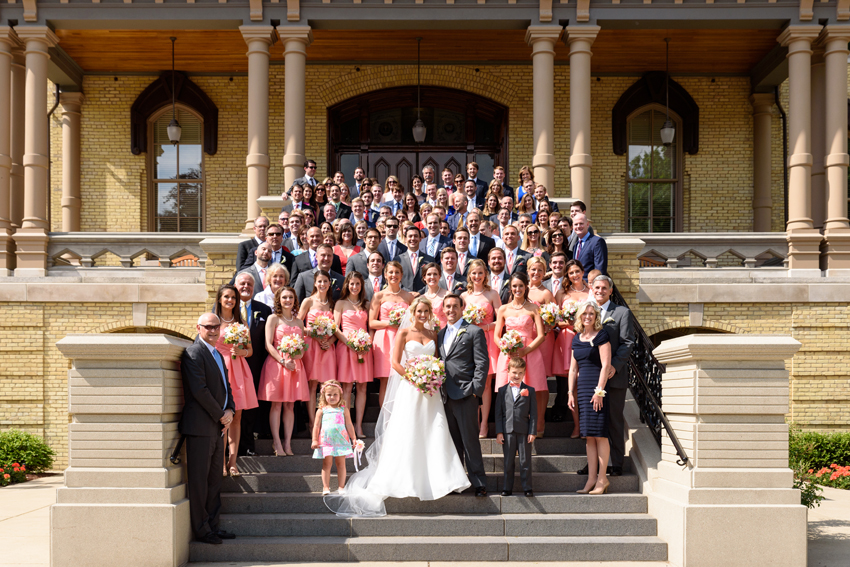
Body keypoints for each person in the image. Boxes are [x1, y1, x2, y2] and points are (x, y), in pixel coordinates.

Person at [324, 296, 473, 517]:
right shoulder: (403, 333)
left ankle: (444, 479)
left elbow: (438, 361)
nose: (422, 315)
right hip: (411, 388)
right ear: (412, 312)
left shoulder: (434, 334)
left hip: (430, 391)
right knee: (409, 431)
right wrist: (416, 379)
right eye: (419, 311)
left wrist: (431, 377)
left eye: (426, 312)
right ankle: (406, 478)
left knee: (436, 430)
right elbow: (394, 363)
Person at [179, 312, 236, 545]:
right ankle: (202, 530)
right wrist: (221, 414)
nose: (213, 331)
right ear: (198, 327)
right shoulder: (194, 352)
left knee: (214, 480)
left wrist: (230, 409)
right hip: (201, 427)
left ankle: (213, 525)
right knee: (200, 481)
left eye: (216, 327)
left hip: (218, 427)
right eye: (208, 327)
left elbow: (226, 386)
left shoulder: (217, 354)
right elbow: (199, 390)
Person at [439, 293, 490, 496]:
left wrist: (475, 391)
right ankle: (456, 482)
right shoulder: (440, 334)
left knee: (470, 440)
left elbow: (482, 363)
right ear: (443, 310)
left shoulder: (473, 332)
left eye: (454, 306)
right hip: (445, 395)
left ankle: (479, 483)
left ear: (462, 308)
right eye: (447, 307)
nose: (451, 310)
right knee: (452, 442)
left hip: (466, 394)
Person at [585, 275, 635, 478]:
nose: (600, 291)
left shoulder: (621, 313)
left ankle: (616, 463)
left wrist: (614, 366)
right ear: (592, 288)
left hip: (614, 378)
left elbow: (627, 342)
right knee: (592, 422)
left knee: (614, 421)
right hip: (590, 376)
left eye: (604, 288)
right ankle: (593, 466)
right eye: (597, 287)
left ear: (610, 291)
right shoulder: (586, 312)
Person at [212, 284, 259, 477]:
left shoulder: (241, 323)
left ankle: (233, 462)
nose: (230, 300)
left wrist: (242, 352)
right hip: (220, 369)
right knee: (224, 418)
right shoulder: (213, 321)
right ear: (220, 299)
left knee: (237, 418)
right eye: (226, 297)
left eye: (233, 297)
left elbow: (250, 350)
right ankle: (221, 462)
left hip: (239, 369)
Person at [259, 287, 309, 456]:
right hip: (277, 364)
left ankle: (287, 443)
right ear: (279, 300)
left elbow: (302, 345)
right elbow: (268, 344)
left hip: (295, 366)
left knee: (290, 405)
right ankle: (276, 442)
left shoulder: (299, 322)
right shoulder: (273, 319)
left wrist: (299, 355)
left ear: (295, 300)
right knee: (277, 404)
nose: (288, 300)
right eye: (284, 297)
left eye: (291, 297)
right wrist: (282, 361)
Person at [569, 301, 613, 495]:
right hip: (583, 389)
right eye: (584, 314)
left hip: (597, 389)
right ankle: (591, 479)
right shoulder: (576, 339)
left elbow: (605, 365)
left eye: (591, 314)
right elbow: (572, 369)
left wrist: (599, 391)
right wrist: (570, 392)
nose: (588, 317)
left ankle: (603, 480)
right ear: (579, 316)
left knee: (600, 434)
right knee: (588, 436)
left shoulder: (602, 336)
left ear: (596, 317)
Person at [233, 272, 272, 457]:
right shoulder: (227, 307)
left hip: (254, 365)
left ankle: (247, 445)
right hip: (231, 365)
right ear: (235, 286)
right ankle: (228, 446)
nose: (246, 286)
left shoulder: (264, 310)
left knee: (249, 406)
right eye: (242, 283)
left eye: (249, 283)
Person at [461, 259, 501, 438]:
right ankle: (473, 422)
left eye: (480, 273)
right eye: (473, 273)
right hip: (470, 341)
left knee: (485, 384)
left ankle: (484, 424)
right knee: (472, 382)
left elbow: (500, 320)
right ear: (469, 275)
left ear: (485, 274)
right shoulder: (463, 296)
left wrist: (484, 327)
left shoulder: (492, 294)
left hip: (488, 339)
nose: (477, 276)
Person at [494, 273, 547, 407]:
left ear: (526, 287)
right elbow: (496, 335)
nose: (518, 289)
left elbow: (541, 335)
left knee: (532, 389)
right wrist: (505, 348)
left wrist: (526, 351)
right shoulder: (503, 309)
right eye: (514, 286)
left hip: (530, 352)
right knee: (507, 390)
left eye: (521, 286)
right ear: (510, 288)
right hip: (509, 354)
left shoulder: (534, 308)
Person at [369, 261, 415, 406]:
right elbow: (371, 322)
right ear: (385, 274)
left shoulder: (408, 297)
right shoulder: (379, 296)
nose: (393, 275)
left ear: (401, 275)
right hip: (384, 339)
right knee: (386, 380)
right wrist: (390, 323)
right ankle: (386, 420)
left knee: (403, 377)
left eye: (397, 272)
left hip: (403, 339)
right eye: (390, 272)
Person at [333, 271, 373, 438]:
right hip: (346, 347)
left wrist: (367, 343)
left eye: (358, 284)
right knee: (347, 388)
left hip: (363, 349)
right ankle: (346, 426)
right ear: (347, 285)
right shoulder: (340, 303)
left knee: (362, 387)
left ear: (361, 286)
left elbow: (370, 327)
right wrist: (350, 343)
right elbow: (335, 328)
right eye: (352, 284)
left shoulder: (367, 304)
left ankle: (358, 427)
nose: (355, 287)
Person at [299, 270, 337, 433]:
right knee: (312, 385)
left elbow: (337, 329)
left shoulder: (332, 303)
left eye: (325, 281)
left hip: (327, 347)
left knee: (328, 385)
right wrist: (313, 333)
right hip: (312, 346)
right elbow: (298, 325)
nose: (322, 284)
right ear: (315, 283)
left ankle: (327, 420)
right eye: (319, 281)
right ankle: (312, 422)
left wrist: (329, 341)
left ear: (330, 284)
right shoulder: (308, 301)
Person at [552, 259, 587, 435]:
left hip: (587, 338)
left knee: (585, 382)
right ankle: (577, 424)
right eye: (571, 273)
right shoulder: (561, 294)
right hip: (567, 339)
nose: (574, 275)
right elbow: (555, 319)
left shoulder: (591, 292)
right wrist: (568, 323)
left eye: (577, 271)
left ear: (582, 271)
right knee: (570, 385)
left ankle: (587, 423)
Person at [495, 357, 537, 497]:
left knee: (525, 461)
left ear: (524, 372)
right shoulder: (501, 391)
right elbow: (498, 414)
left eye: (520, 372)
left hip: (524, 431)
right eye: (514, 372)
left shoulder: (529, 391)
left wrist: (532, 431)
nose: (517, 375)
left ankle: (527, 488)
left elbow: (534, 414)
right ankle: (507, 488)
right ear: (508, 371)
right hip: (507, 431)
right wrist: (499, 432)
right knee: (508, 461)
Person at [525, 256, 556, 436]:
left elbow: (555, 318)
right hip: (525, 339)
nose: (536, 273)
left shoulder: (546, 293)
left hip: (542, 340)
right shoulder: (521, 289)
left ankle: (540, 420)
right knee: (527, 379)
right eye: (533, 269)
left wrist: (547, 325)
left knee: (541, 382)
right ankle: (528, 416)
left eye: (540, 270)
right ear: (528, 270)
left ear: (544, 273)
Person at [311, 380, 356, 496]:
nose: (332, 397)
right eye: (329, 394)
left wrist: (354, 438)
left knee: (341, 464)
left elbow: (349, 425)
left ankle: (341, 487)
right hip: (327, 441)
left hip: (341, 440)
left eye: (335, 394)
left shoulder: (343, 410)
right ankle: (326, 487)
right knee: (327, 464)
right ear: (324, 396)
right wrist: (314, 440)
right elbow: (316, 426)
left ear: (340, 395)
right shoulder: (321, 410)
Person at [397, 225, 434, 291]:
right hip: (403, 297)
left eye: (416, 236)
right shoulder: (398, 260)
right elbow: (396, 280)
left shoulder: (430, 260)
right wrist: (408, 293)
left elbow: (432, 280)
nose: (413, 238)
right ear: (405, 239)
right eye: (410, 236)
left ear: (420, 239)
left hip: (423, 297)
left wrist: (419, 293)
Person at [420, 262, 448, 328]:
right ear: (424, 277)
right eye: (429, 274)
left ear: (439, 276)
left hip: (443, 332)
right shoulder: (421, 298)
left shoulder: (447, 295)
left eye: (435, 274)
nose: (432, 277)